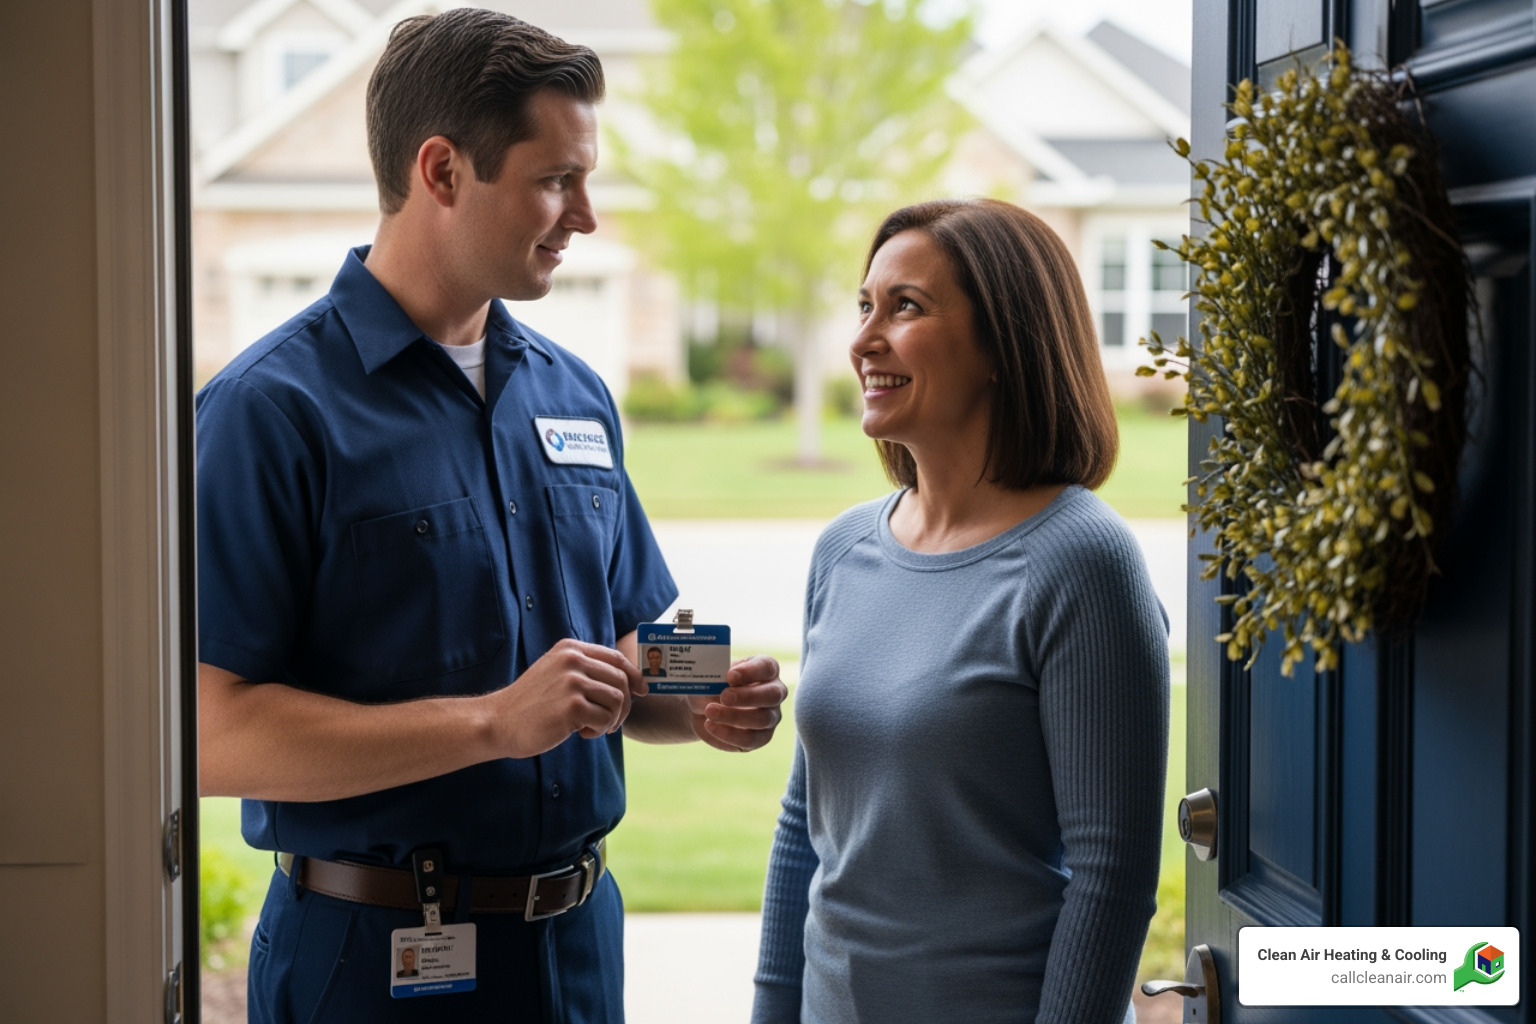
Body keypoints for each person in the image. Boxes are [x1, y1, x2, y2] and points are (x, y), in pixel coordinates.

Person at [194, 10, 787, 1024]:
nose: (586, 216)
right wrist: (492, 723)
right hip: (368, 961)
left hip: (578, 945)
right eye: (557, 180)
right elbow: (208, 732)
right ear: (443, 171)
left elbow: (625, 640)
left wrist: (704, 685)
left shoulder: (576, 394)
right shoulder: (270, 410)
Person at [751, 198, 1169, 1024]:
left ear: (1003, 345)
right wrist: (772, 1011)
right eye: (864, 305)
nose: (865, 338)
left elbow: (1110, 876)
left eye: (906, 307)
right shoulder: (843, 551)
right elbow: (808, 822)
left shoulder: (1083, 562)